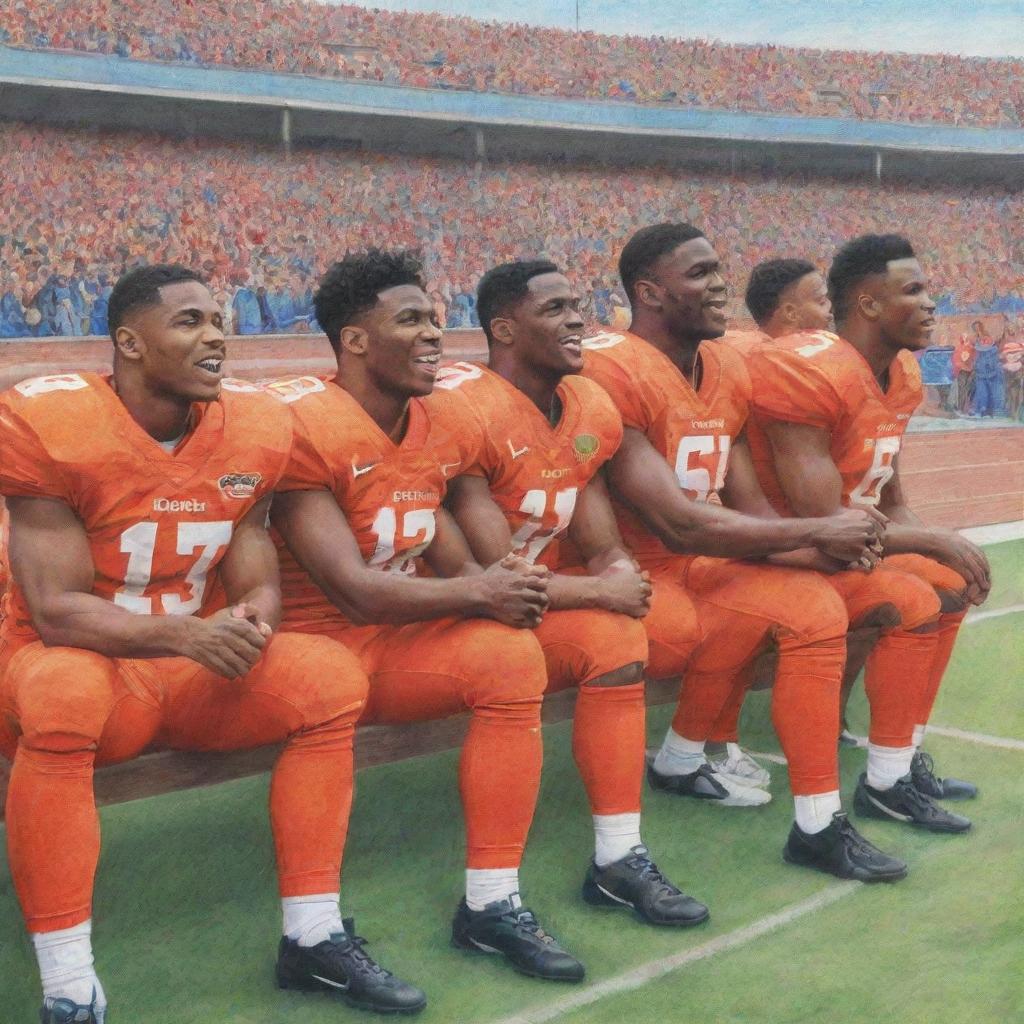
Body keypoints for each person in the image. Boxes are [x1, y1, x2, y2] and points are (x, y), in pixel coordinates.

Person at [0, 265, 416, 1023]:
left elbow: (255, 572)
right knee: (63, 689)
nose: (216, 336)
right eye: (189, 321)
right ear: (128, 341)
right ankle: (69, 987)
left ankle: (313, 936)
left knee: (326, 678)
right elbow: (57, 611)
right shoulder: (51, 421)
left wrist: (250, 625)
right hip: (85, 672)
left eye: (219, 320)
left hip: (190, 672)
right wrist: (189, 633)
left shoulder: (253, 427)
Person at [270, 249, 586, 986]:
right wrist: (483, 592)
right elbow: (354, 591)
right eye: (409, 320)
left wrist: (494, 584)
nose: (434, 334)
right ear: (354, 340)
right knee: (326, 683)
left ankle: (491, 903)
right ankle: (311, 934)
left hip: (394, 649)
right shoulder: (304, 424)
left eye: (434, 319)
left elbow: (444, 549)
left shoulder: (435, 421)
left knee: (512, 658)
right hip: (313, 651)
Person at [578, 223, 910, 882]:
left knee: (818, 601)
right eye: (699, 273)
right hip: (632, 570)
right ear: (649, 292)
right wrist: (814, 534)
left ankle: (817, 822)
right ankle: (686, 763)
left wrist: (818, 552)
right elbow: (677, 523)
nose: (720, 283)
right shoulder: (610, 367)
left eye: (718, 269)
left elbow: (749, 507)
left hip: (701, 562)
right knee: (744, 616)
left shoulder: (725, 363)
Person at [439, 259, 709, 928]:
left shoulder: (587, 402)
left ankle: (619, 858)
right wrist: (600, 591)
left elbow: (600, 537)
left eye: (576, 305)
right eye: (555, 309)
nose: (576, 319)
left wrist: (616, 570)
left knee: (637, 634)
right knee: (582, 634)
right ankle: (496, 891)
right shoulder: (464, 405)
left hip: (544, 603)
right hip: (460, 611)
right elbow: (493, 572)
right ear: (504, 329)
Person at [750, 233, 991, 829]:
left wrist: (944, 544)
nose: (932, 302)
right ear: (867, 304)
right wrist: (936, 540)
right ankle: (884, 782)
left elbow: (893, 504)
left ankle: (900, 759)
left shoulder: (902, 373)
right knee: (914, 594)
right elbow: (831, 529)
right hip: (790, 553)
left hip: (851, 548)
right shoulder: (810, 371)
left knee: (951, 582)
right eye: (914, 290)